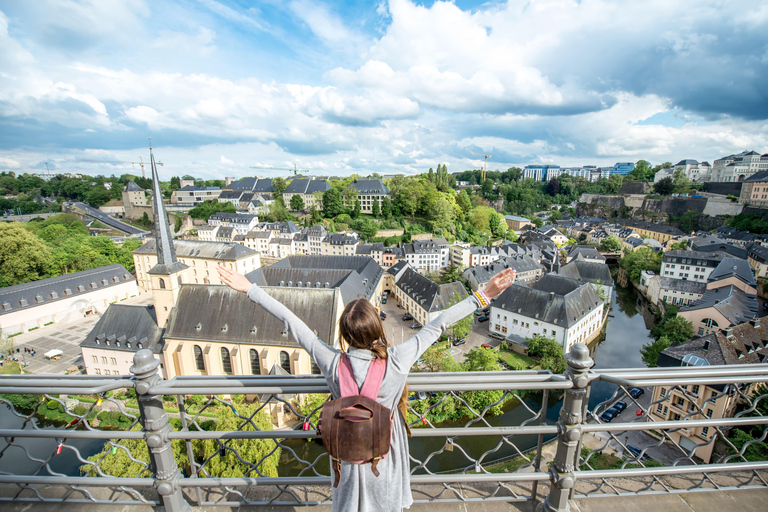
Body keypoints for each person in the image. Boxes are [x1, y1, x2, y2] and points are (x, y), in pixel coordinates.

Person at [217, 265, 517, 512]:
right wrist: (482, 295)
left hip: (347, 449)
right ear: (378, 328)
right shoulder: (398, 359)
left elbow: (293, 322)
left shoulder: (331, 362)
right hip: (385, 451)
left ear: (344, 334)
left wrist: (251, 289)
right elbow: (437, 325)